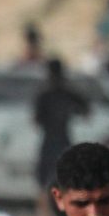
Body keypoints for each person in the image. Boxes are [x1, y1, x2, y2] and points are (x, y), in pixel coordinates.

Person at [30, 60, 85, 191]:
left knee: (44, 179)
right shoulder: (68, 92)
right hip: (63, 137)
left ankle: (45, 209)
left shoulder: (44, 93)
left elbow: (36, 119)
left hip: (50, 139)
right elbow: (85, 109)